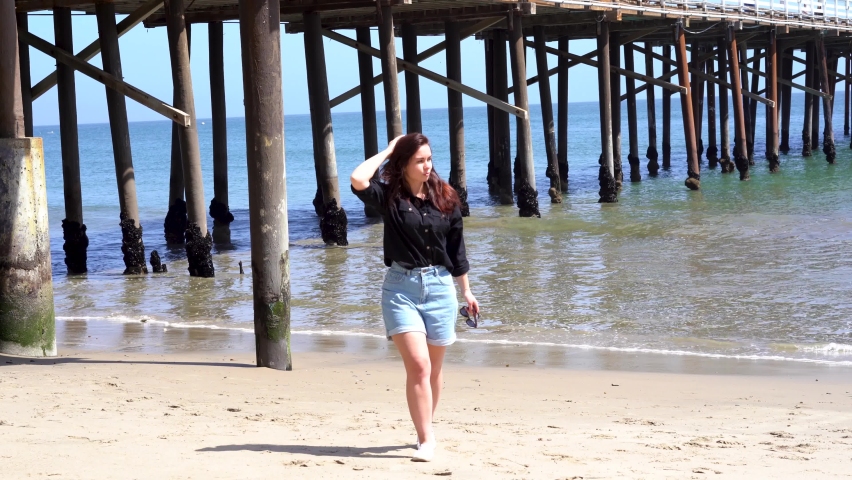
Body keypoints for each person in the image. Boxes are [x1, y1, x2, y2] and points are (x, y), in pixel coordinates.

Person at [350, 133, 480, 462]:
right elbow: (357, 178)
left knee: (434, 371)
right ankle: (426, 439)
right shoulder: (389, 198)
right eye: (419, 160)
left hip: (439, 288)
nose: (427, 166)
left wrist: (466, 291)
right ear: (404, 164)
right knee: (419, 367)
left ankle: (425, 427)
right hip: (400, 289)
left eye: (429, 159)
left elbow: (456, 251)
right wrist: (390, 149)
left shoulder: (446, 198)